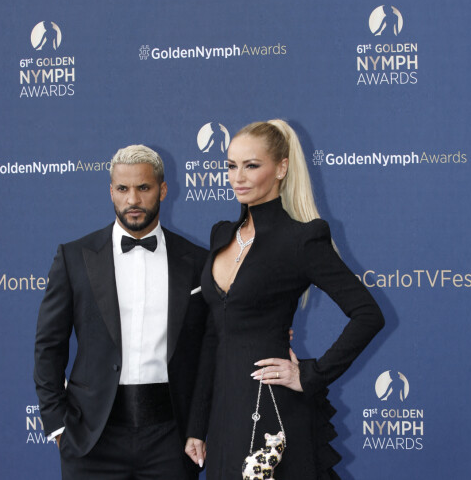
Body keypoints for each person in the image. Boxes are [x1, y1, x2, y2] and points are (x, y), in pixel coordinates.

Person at [185, 120, 385, 479]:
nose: (238, 177)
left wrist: (311, 374)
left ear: (281, 168)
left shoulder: (302, 240)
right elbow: (213, 334)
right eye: (231, 166)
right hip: (224, 412)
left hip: (271, 408)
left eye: (252, 165)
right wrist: (197, 424)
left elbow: (368, 314)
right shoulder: (221, 235)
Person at [34, 144, 208, 480]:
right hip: (91, 438)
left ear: (163, 189)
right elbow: (48, 346)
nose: (132, 200)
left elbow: (211, 345)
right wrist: (57, 425)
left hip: (170, 439)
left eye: (143, 188)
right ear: (111, 190)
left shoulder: (197, 261)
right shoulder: (75, 257)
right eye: (122, 189)